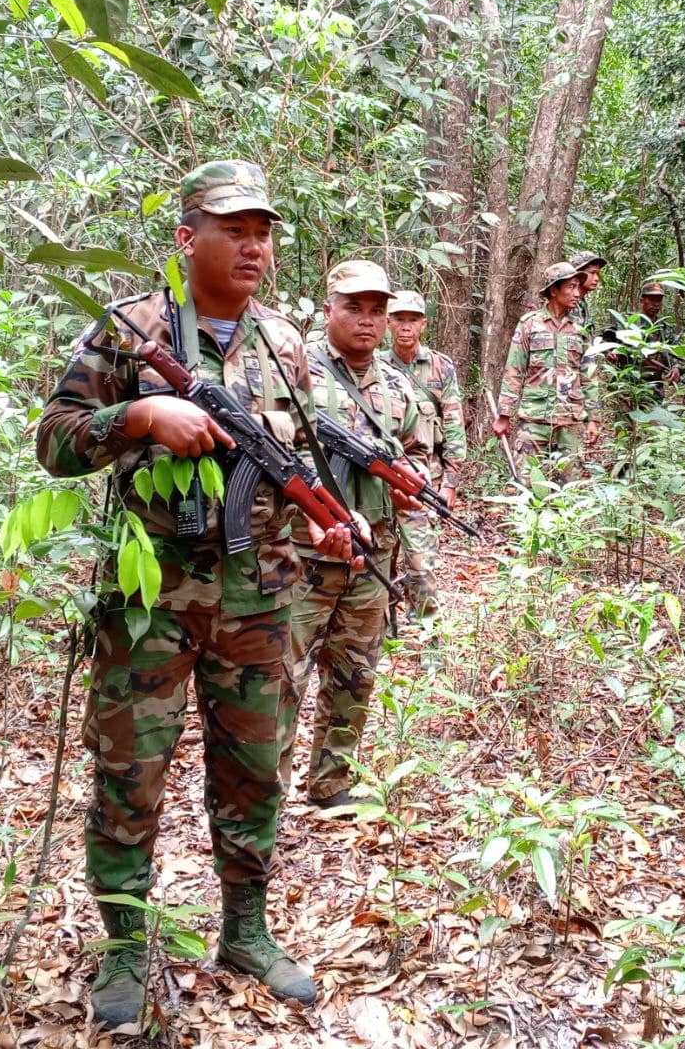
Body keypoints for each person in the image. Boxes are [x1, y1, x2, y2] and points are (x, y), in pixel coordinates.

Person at [37, 159, 353, 1023]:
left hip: (261, 597)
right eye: (234, 230)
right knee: (128, 773)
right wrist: (140, 416)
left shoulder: (284, 341)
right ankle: (121, 948)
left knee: (254, 772)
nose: (253, 248)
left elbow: (301, 456)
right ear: (187, 237)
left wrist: (331, 522)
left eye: (263, 234)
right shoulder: (130, 329)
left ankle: (246, 931)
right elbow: (55, 440)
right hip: (150, 605)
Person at [281, 261, 429, 814]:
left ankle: (332, 784)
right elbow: (271, 453)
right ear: (329, 311)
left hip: (373, 555)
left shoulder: (397, 385)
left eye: (377, 310)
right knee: (281, 679)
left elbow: (417, 451)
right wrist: (315, 504)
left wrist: (414, 482)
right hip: (302, 554)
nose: (367, 320)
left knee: (355, 675)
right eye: (354, 308)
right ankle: (264, 799)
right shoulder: (295, 374)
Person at [382, 289, 467, 630]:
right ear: (388, 323)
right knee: (381, 560)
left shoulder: (440, 366)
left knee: (420, 562)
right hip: (381, 481)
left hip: (424, 482)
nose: (406, 326)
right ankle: (385, 631)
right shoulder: (374, 364)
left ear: (424, 324)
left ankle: (427, 632)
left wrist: (451, 482)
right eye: (399, 319)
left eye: (412, 320)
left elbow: (454, 424)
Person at [491, 261, 598, 481]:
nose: (577, 293)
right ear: (554, 290)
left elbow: (589, 375)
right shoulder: (529, 324)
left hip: (571, 420)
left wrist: (593, 419)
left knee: (569, 488)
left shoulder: (581, 329)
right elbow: (514, 370)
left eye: (578, 287)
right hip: (534, 420)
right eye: (570, 287)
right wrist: (504, 415)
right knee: (527, 484)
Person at [570, 251, 607, 335]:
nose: (597, 278)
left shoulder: (582, 303)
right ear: (579, 273)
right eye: (592, 273)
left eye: (598, 273)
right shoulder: (567, 303)